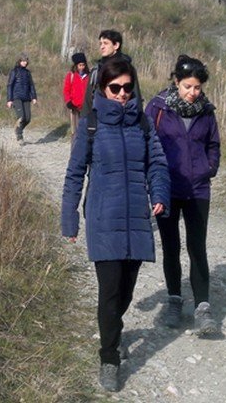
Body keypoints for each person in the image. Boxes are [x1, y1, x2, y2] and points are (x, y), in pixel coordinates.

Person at [62, 56, 170, 393]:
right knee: (109, 291)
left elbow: (157, 163)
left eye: (127, 87)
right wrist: (69, 219)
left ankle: (114, 329)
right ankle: (109, 358)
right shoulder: (91, 125)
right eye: (115, 88)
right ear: (102, 89)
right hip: (103, 217)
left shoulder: (143, 123)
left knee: (126, 290)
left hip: (136, 216)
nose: (122, 93)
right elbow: (74, 173)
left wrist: (160, 192)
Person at [145, 55, 221, 336]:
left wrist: (209, 168)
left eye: (197, 87)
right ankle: (174, 300)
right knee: (171, 247)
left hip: (198, 189)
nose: (193, 92)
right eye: (188, 86)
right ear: (176, 82)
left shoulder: (206, 111)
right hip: (167, 188)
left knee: (197, 247)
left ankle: (203, 308)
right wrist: (152, 180)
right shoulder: (157, 108)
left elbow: (213, 144)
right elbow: (146, 141)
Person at [81, 30, 142, 118]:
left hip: (124, 119)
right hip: (98, 119)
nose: (102, 47)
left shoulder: (127, 69)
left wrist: (139, 120)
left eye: (105, 43)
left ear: (116, 45)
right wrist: (84, 121)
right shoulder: (96, 70)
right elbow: (88, 101)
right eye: (100, 44)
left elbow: (136, 98)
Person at [5, 53, 37, 143]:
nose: (25, 62)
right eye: (23, 61)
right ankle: (19, 136)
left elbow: (31, 85)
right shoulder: (14, 71)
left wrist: (34, 97)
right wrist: (9, 100)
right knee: (21, 117)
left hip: (26, 97)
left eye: (26, 61)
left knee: (28, 118)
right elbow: (10, 85)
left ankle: (18, 129)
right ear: (19, 61)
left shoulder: (27, 73)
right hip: (16, 97)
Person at [63, 51, 90, 140]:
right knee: (75, 131)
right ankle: (75, 147)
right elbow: (66, 90)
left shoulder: (89, 76)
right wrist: (68, 101)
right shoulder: (70, 76)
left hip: (86, 107)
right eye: (80, 65)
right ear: (76, 65)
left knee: (85, 130)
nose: (82, 67)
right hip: (74, 107)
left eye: (83, 65)